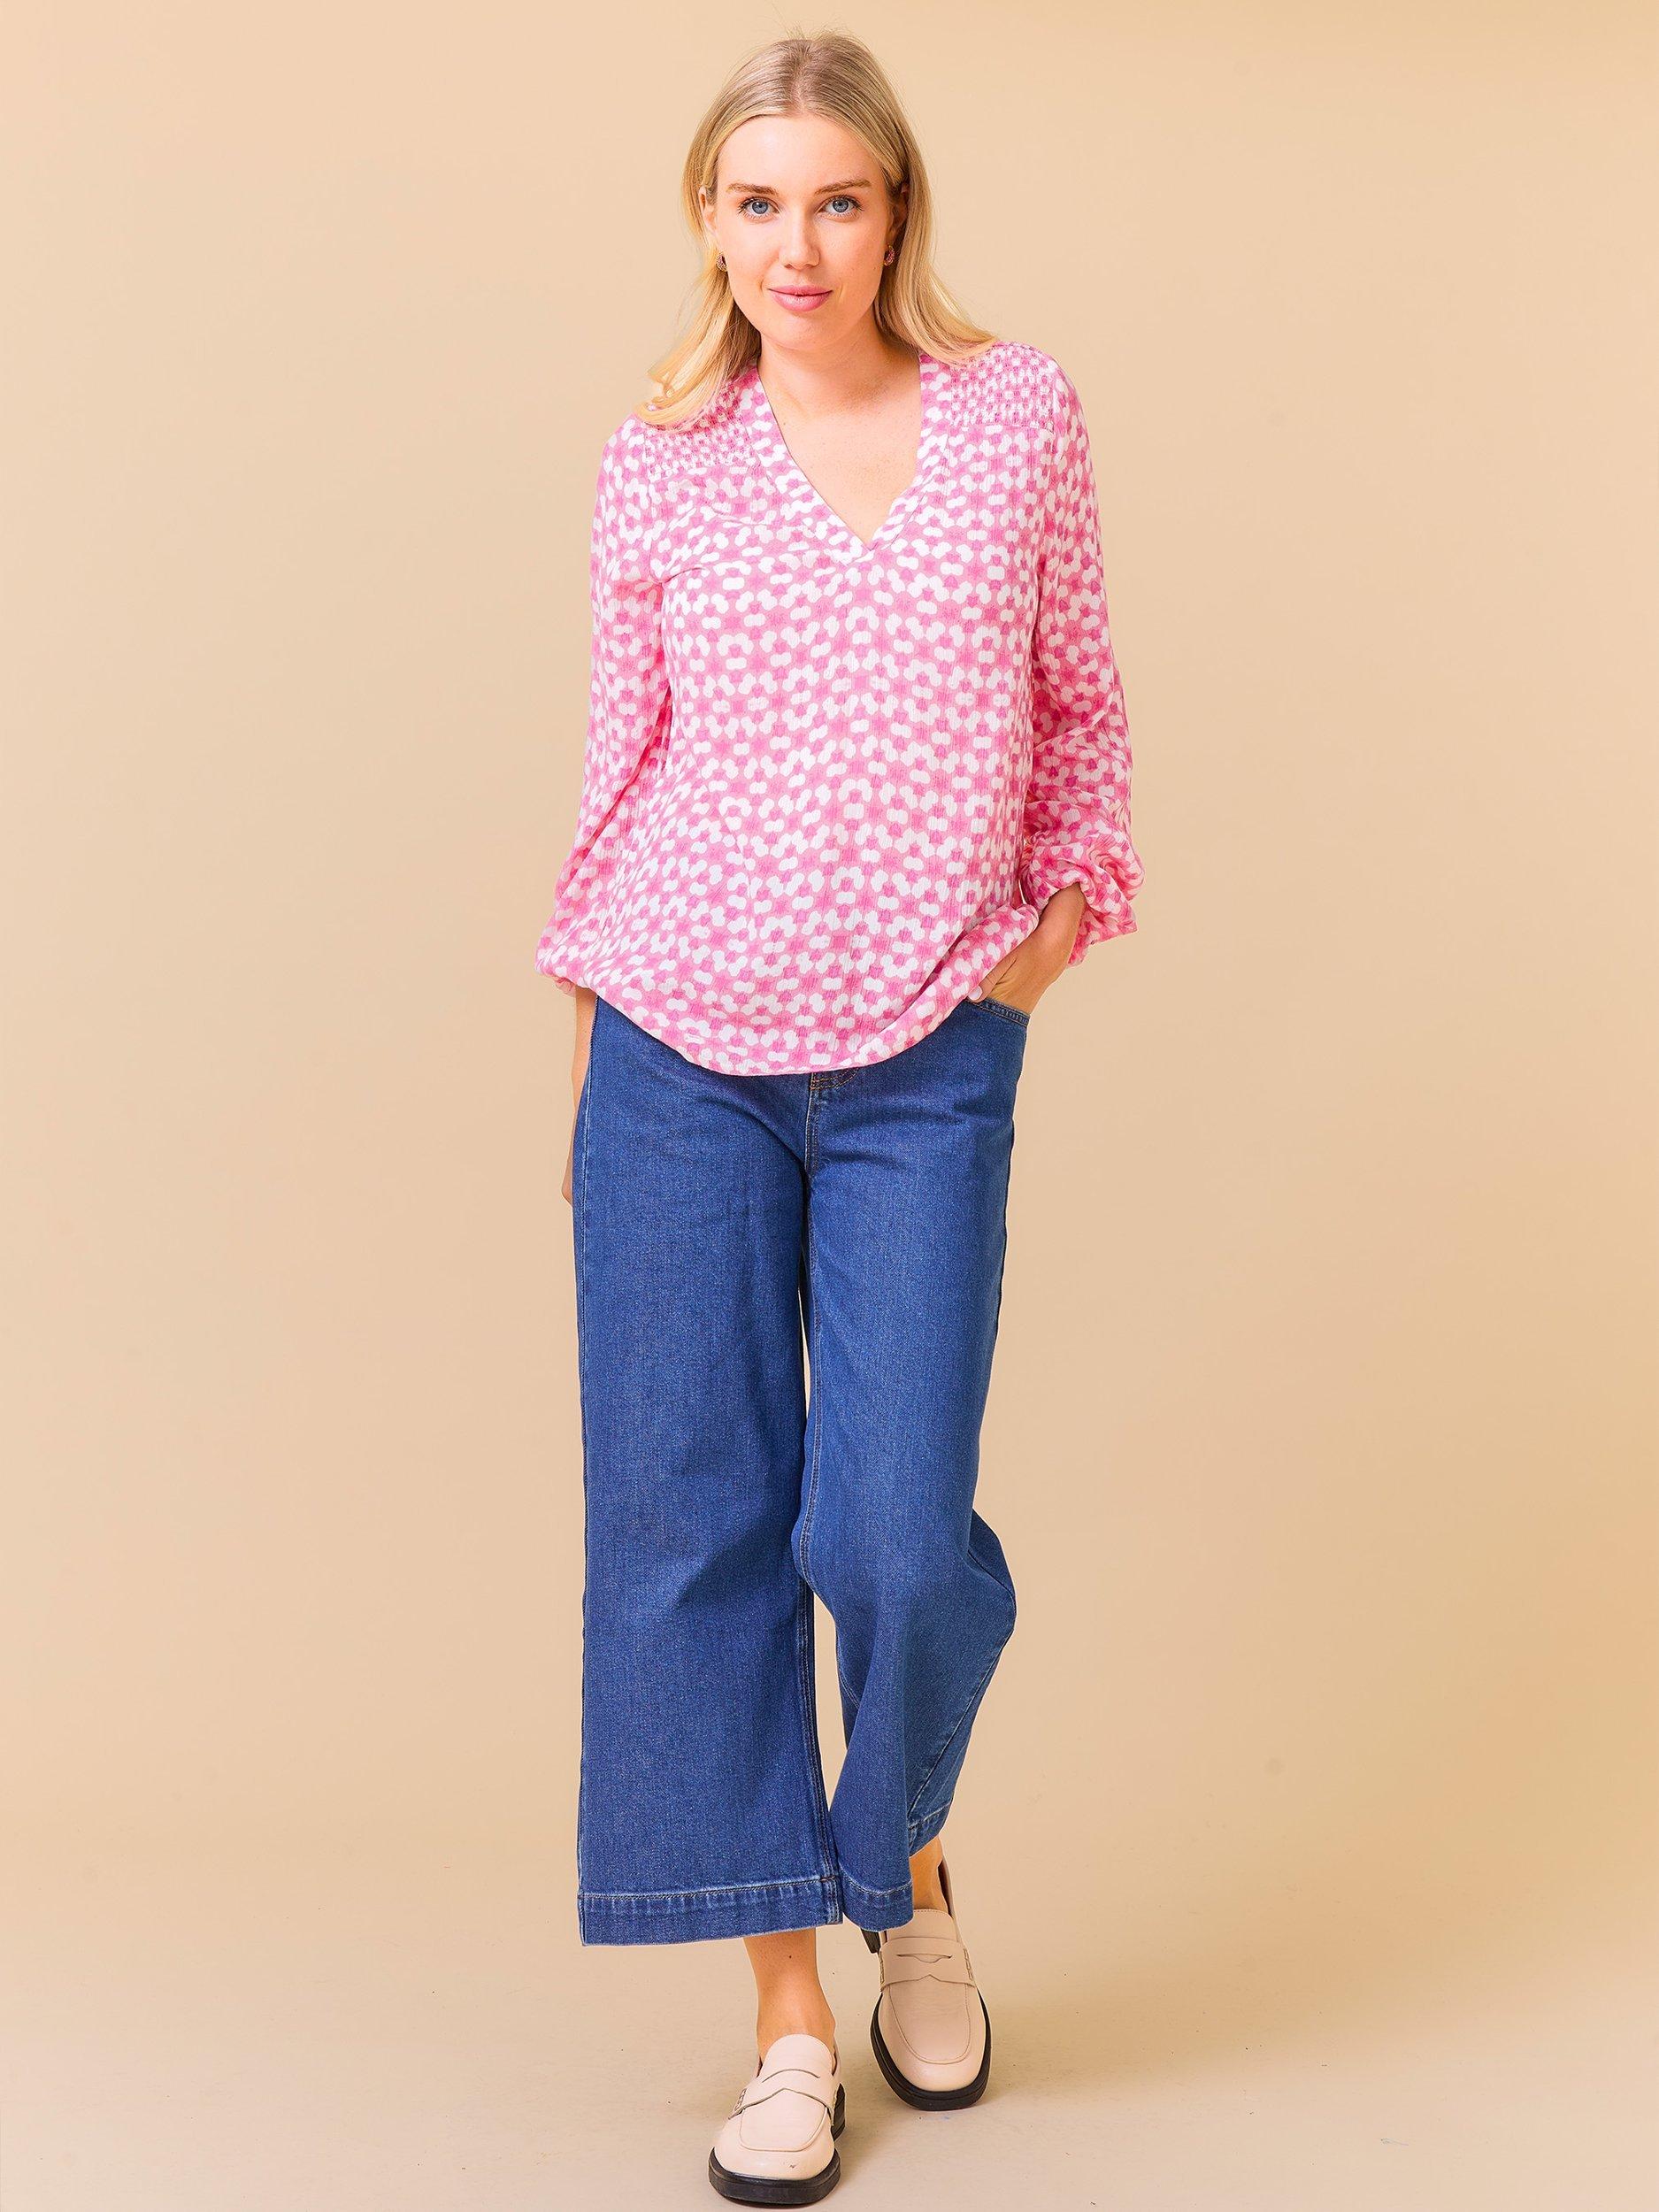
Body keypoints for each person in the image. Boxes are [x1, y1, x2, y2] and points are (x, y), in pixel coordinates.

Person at [532, 29, 1144, 2204]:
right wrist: (592, 1050)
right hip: (675, 1051)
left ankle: (905, 1854)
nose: (794, 245)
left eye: (836, 201)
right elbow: (618, 762)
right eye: (754, 202)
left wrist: (1036, 951)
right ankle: (788, 2016)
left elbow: (1078, 710)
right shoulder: (659, 460)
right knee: (687, 1531)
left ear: (896, 214)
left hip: (920, 1052)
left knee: (888, 1530)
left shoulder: (1015, 416)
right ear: (706, 222)